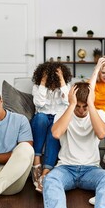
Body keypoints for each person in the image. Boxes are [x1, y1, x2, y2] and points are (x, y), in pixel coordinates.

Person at [43, 82, 105, 208]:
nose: (81, 110)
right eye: (78, 106)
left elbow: (101, 134)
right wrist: (71, 105)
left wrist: (92, 105)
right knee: (50, 179)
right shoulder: (62, 114)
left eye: (85, 106)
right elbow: (56, 134)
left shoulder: (99, 114)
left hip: (91, 170)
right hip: (66, 168)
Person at [30, 61, 72, 192]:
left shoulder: (66, 87)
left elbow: (68, 102)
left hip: (58, 117)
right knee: (41, 118)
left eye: (55, 81)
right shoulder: (38, 87)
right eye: (51, 81)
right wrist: (43, 82)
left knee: (55, 128)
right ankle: (36, 161)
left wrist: (62, 81)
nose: (53, 85)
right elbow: (39, 103)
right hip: (41, 119)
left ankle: (46, 171)